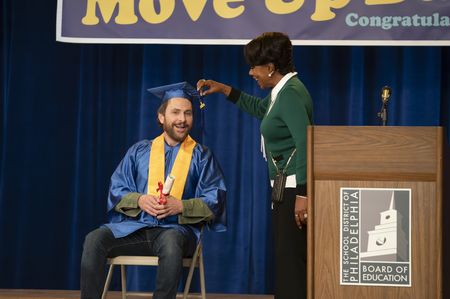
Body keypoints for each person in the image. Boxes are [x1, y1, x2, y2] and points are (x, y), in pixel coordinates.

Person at [80, 82, 227, 299]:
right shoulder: (139, 151)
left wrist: (181, 206)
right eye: (175, 112)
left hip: (176, 231)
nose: (182, 119)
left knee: (170, 242)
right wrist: (139, 200)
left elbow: (216, 199)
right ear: (161, 117)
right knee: (94, 239)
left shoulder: (201, 156)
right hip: (135, 229)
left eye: (188, 113)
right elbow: (116, 189)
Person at [197, 32, 313, 299]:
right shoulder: (281, 92)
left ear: (270, 68)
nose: (251, 73)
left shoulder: (292, 94)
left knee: (291, 265)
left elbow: (306, 143)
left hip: (295, 190)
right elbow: (262, 110)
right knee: (285, 263)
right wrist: (225, 89)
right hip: (285, 189)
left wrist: (304, 195)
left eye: (254, 67)